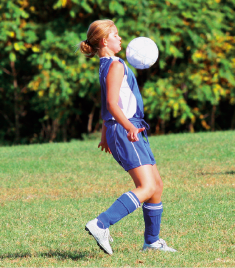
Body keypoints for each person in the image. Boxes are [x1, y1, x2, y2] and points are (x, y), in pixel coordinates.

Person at [78, 19, 177, 255]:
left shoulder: (107, 64)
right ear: (104, 41)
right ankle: (101, 223)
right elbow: (112, 104)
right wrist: (127, 128)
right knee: (147, 186)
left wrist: (105, 132)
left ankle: (152, 241)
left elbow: (107, 103)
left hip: (122, 128)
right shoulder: (115, 66)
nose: (120, 38)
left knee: (156, 186)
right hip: (126, 129)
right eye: (115, 35)